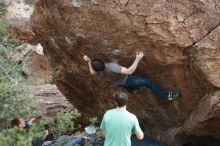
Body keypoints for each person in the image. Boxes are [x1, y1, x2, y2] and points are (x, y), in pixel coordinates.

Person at [83, 52, 181, 100]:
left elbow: (92, 72)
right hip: (127, 79)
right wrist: (137, 58)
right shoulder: (112, 67)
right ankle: (167, 96)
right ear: (103, 62)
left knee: (130, 87)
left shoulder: (98, 72)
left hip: (118, 83)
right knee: (148, 83)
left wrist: (89, 61)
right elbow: (129, 71)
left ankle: (134, 90)